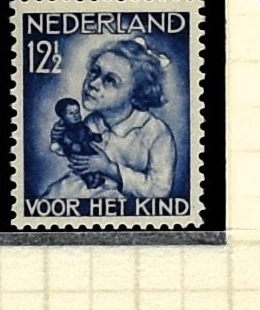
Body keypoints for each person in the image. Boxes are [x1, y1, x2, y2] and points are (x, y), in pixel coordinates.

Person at [40, 42, 177, 205]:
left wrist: (110, 169)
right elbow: (77, 151)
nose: (93, 84)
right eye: (94, 72)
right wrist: (62, 138)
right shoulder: (92, 121)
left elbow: (159, 190)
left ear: (136, 94)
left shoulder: (156, 133)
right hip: (85, 189)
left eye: (110, 80)